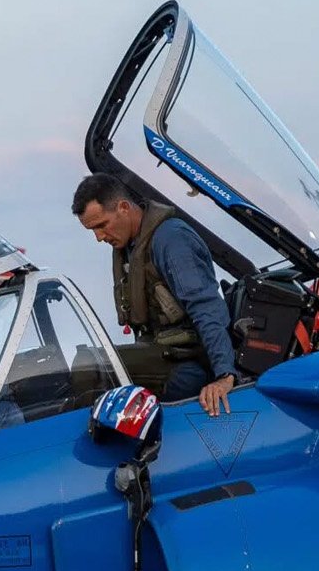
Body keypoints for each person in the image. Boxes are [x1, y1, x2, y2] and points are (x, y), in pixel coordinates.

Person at [72, 173, 238, 416]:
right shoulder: (130, 246)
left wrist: (225, 375)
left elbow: (205, 307)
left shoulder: (171, 239)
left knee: (91, 368)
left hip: (188, 362)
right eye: (93, 230)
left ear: (123, 208)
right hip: (164, 353)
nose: (99, 238)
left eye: (101, 225)